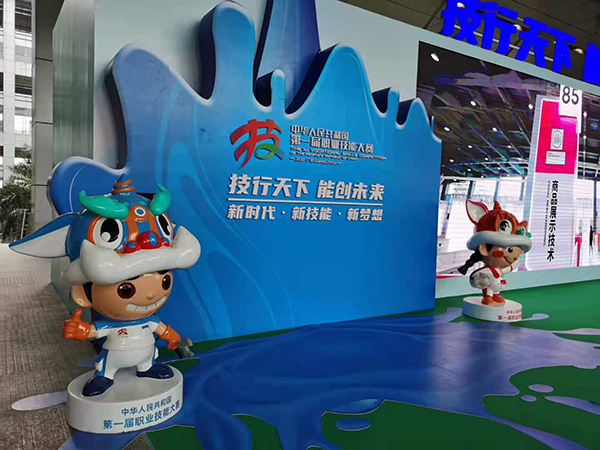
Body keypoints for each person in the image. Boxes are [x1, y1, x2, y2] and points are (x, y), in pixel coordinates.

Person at [10, 176, 201, 396]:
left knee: (148, 360)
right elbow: (94, 331)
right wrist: (82, 331)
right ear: (83, 294)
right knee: (106, 366)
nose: (150, 294)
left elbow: (162, 329)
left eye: (164, 281)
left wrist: (172, 337)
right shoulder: (111, 324)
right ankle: (104, 376)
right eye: (126, 289)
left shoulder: (149, 321)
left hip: (146, 352)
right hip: (113, 357)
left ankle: (147, 367)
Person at [457, 200, 532, 306]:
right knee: (489, 290)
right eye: (509, 250)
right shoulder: (486, 271)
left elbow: (513, 266)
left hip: (497, 286)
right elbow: (474, 278)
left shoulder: (503, 269)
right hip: (489, 287)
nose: (515, 257)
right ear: (484, 249)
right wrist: (478, 281)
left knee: (496, 290)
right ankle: (487, 297)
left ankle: (496, 295)